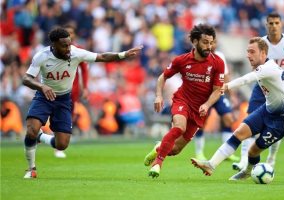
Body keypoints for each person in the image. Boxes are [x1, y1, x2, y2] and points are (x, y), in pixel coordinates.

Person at [22, 27, 143, 178]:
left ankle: (41, 137)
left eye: (69, 44)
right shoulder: (42, 56)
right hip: (44, 97)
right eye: (64, 45)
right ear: (54, 45)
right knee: (31, 129)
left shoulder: (76, 53)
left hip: (64, 100)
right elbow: (26, 79)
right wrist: (42, 86)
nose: (68, 48)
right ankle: (31, 169)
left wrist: (123, 54)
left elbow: (102, 57)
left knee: (62, 144)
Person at [190, 37, 284, 181]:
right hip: (267, 109)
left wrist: (226, 86)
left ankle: (248, 171)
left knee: (253, 151)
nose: (248, 55)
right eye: (247, 51)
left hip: (281, 120)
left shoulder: (268, 68)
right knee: (239, 132)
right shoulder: (266, 67)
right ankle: (210, 165)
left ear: (263, 53)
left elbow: (246, 79)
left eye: (252, 52)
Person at [232, 13, 284, 171]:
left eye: (277, 23)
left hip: (281, 90)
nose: (274, 26)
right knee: (249, 121)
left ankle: (272, 157)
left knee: (277, 125)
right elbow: (254, 65)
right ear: (266, 25)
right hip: (261, 87)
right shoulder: (261, 44)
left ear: (281, 24)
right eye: (271, 23)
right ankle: (243, 160)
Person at [143, 24, 225, 178]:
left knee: (174, 150)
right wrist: (159, 95)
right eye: (205, 42)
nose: (209, 46)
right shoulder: (181, 60)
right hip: (183, 101)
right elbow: (163, 77)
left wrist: (207, 105)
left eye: (211, 42)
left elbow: (217, 90)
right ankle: (157, 165)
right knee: (179, 127)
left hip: (199, 110)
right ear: (195, 42)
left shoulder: (218, 63)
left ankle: (157, 149)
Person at [193, 40, 239, 162]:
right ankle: (199, 153)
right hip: (203, 96)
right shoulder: (198, 57)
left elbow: (226, 76)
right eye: (208, 42)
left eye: (213, 42)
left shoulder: (220, 56)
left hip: (218, 93)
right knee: (201, 123)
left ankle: (227, 153)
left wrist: (232, 95)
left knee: (228, 119)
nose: (211, 45)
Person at [51, 24, 90, 159]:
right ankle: (56, 142)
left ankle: (60, 141)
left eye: (72, 33)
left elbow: (84, 69)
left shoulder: (78, 51)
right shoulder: (53, 51)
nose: (70, 35)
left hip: (72, 90)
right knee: (56, 114)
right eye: (68, 33)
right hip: (56, 87)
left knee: (70, 114)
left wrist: (85, 87)